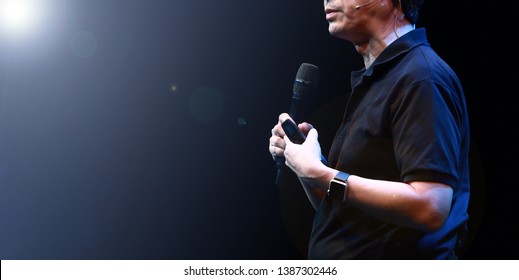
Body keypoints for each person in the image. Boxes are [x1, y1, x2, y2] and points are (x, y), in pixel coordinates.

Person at [268, 0, 470, 259]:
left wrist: (320, 173)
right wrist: (305, 163)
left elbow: (431, 207)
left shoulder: (421, 77)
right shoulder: (380, 78)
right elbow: (342, 212)